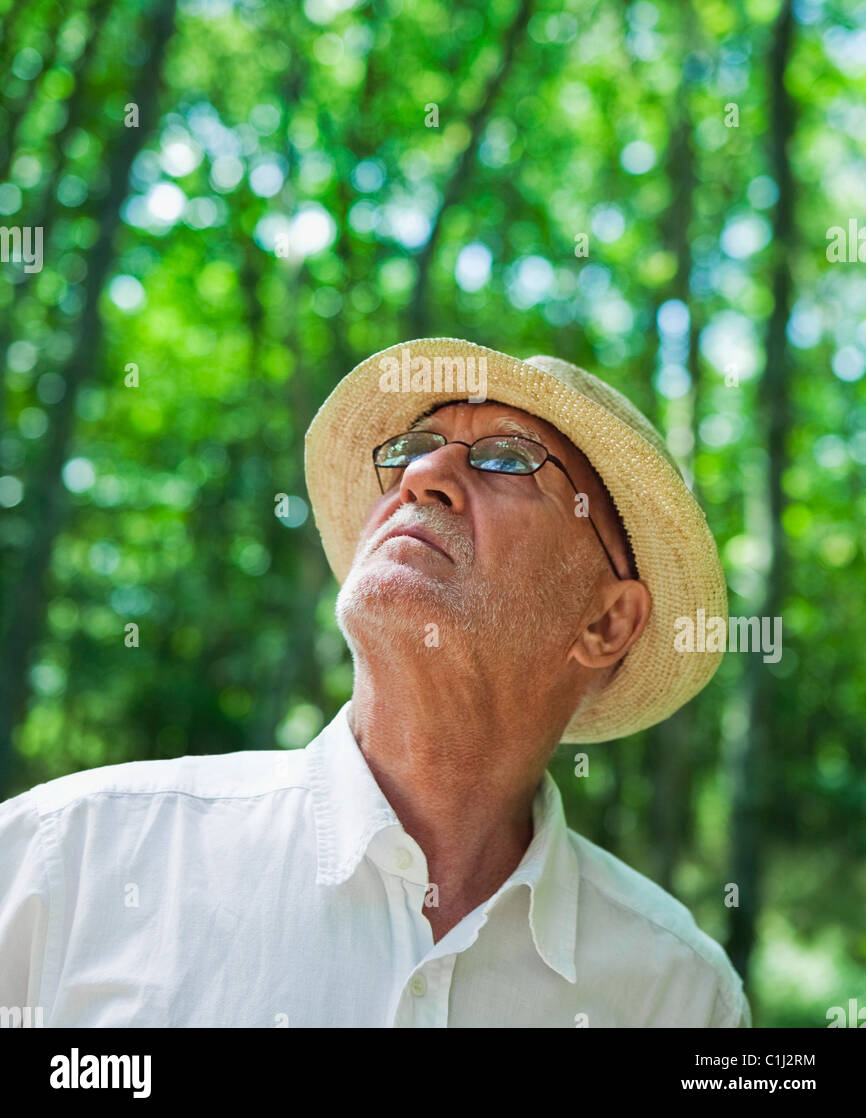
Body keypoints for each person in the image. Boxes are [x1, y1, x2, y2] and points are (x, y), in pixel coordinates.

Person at [0, 337, 750, 1027]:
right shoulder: (68, 860)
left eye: (508, 460)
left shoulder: (678, 995)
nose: (423, 474)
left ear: (606, 625)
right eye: (414, 448)